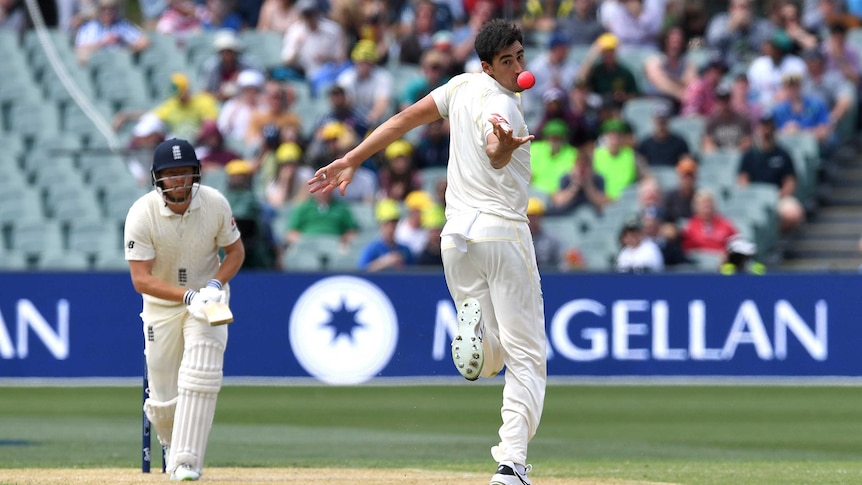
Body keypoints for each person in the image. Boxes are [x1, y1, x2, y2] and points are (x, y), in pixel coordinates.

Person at [309, 19, 545, 485]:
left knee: (493, 358)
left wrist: (353, 157)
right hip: (502, 232)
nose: (518, 67)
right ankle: (511, 464)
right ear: (487, 66)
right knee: (528, 357)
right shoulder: (503, 106)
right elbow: (496, 149)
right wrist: (503, 147)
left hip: (455, 237)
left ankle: (475, 331)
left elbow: (402, 121)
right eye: (507, 61)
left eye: (519, 56)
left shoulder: (460, 86)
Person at [125, 138, 245, 481]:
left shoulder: (215, 204)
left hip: (209, 301)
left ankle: (186, 461)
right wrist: (186, 296)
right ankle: (171, 444)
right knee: (163, 398)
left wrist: (214, 286)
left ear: (196, 174)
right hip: (162, 306)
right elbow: (140, 280)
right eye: (170, 174)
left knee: (201, 373)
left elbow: (235, 253)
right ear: (157, 178)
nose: (178, 181)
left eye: (184, 173)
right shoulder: (142, 213)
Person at [74, 0, 150, 65]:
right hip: (98, 64)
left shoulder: (122, 25)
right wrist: (103, 43)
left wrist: (125, 44)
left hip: (122, 64)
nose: (108, 12)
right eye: (104, 9)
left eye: (111, 9)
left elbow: (144, 41)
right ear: (98, 10)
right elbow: (80, 50)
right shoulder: (89, 27)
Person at [358, 198, 416, 271]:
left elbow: (414, 273)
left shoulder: (405, 250)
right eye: (387, 223)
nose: (391, 227)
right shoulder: (372, 249)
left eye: (394, 222)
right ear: (380, 224)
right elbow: (361, 272)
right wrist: (385, 262)